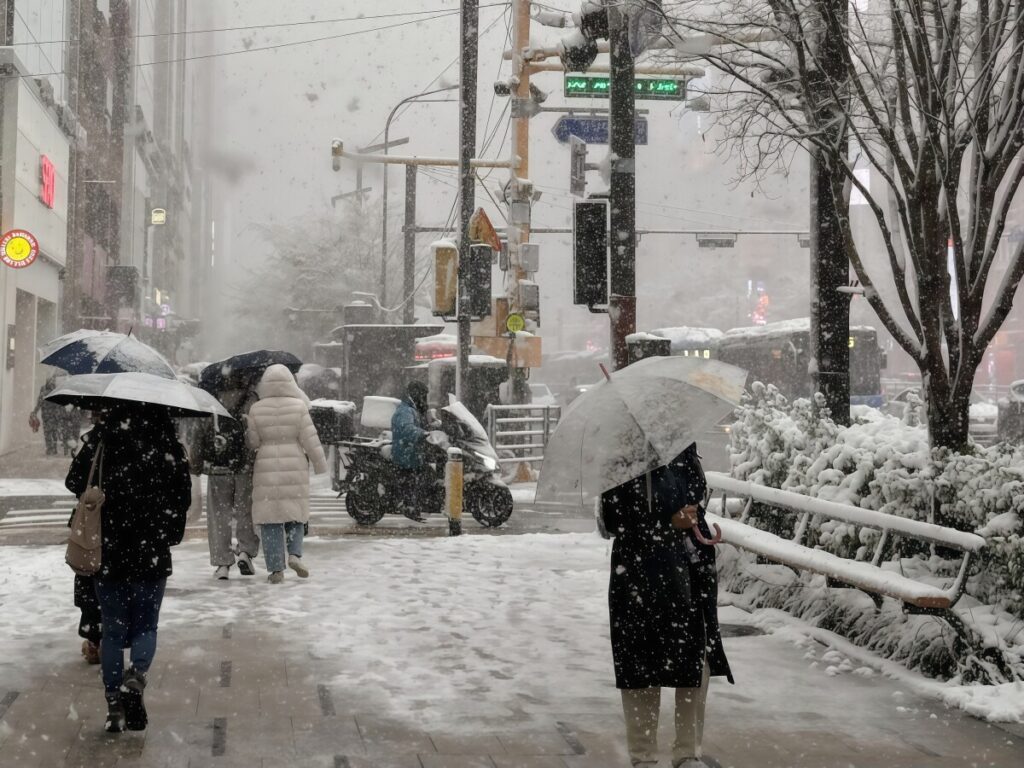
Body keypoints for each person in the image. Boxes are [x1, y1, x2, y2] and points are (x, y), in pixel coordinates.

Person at [600, 443, 733, 768]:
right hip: (638, 573)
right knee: (640, 665)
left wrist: (690, 515)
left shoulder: (683, 447)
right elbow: (611, 520)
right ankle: (643, 757)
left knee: (693, 661)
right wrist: (664, 520)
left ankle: (687, 753)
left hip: (685, 571)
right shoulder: (622, 455)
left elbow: (695, 495)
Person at [65, 404, 191, 734]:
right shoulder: (168, 446)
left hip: (109, 547)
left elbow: (75, 481)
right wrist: (169, 531)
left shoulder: (103, 441)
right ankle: (136, 676)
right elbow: (182, 497)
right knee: (146, 625)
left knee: (113, 628)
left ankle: (113, 708)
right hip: (151, 546)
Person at [245, 364, 327, 583]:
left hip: (266, 466)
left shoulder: (256, 409)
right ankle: (295, 554)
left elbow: (253, 443)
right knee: (296, 514)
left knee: (270, 518)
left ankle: (276, 569)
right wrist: (320, 464)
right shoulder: (299, 406)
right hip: (295, 464)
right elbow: (311, 439)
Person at [190, 388, 260, 579]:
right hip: (245, 467)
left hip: (218, 468)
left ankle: (222, 563)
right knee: (246, 511)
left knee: (219, 516)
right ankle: (245, 551)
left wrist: (195, 465)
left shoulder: (209, 399)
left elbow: (199, 433)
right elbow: (256, 434)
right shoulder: (251, 397)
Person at [390, 380, 434, 522]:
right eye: (423, 395)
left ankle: (417, 504)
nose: (424, 399)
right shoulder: (405, 411)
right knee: (417, 476)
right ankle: (410, 506)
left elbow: (423, 424)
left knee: (426, 472)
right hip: (406, 453)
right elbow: (407, 429)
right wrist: (423, 434)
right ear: (416, 394)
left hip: (414, 451)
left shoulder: (414, 409)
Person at [29, 373, 63, 455]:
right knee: (54, 433)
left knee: (48, 433)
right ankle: (54, 448)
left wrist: (34, 412)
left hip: (46, 417)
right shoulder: (56, 393)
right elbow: (60, 405)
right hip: (55, 417)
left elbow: (38, 405)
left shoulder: (43, 394)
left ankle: (49, 448)